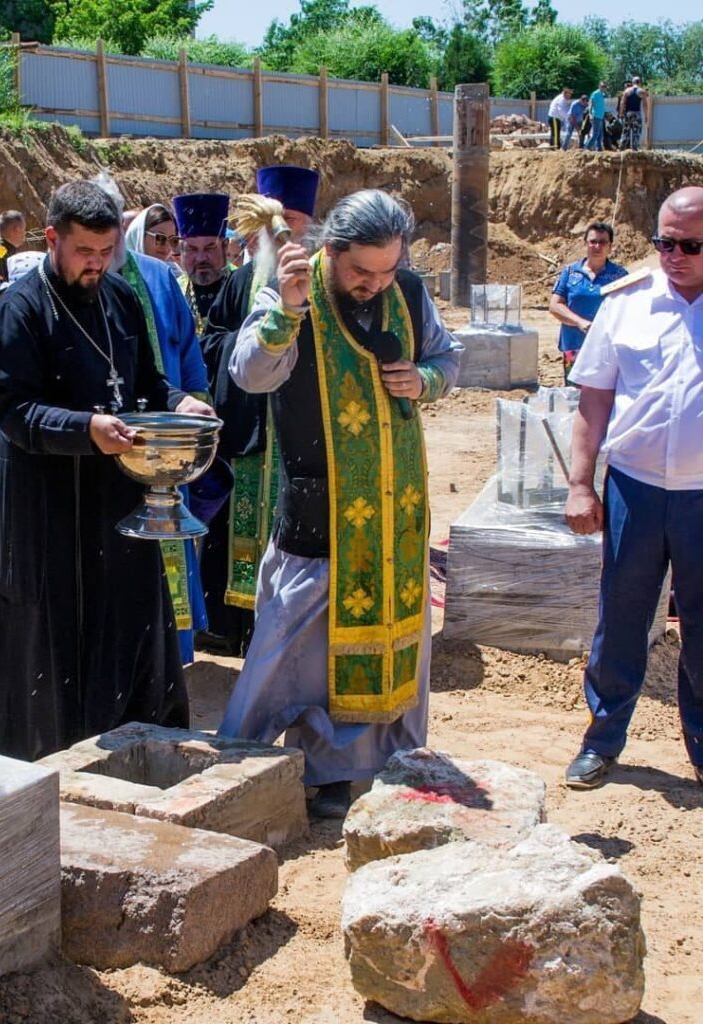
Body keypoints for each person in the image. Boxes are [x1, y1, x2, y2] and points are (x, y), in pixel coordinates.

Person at [218, 190, 462, 819]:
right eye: (362, 272)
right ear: (331, 250)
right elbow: (250, 373)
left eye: (387, 270)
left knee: (389, 645)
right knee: (289, 651)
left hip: (395, 516)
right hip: (318, 512)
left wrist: (425, 379)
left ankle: (361, 769)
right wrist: (287, 314)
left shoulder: (406, 291)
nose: (375, 284)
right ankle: (232, 766)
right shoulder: (288, 289)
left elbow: (445, 356)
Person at [0, 181, 213, 762]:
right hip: (43, 504)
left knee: (127, 618)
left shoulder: (121, 299)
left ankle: (136, 744)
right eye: (84, 253)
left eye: (105, 254)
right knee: (51, 638)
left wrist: (178, 404)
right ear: (53, 240)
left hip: (114, 496)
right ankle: (51, 759)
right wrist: (86, 429)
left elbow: (147, 384)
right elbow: (12, 410)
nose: (96, 265)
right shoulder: (19, 309)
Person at [563, 187, 703, 790]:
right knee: (621, 617)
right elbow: (593, 397)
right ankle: (602, 739)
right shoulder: (626, 303)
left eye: (689, 245)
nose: (673, 255)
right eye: (663, 243)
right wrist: (580, 484)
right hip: (635, 491)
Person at [199, 165, 320, 656]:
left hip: (300, 435)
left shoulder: (325, 280)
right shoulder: (243, 280)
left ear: (309, 222)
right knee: (236, 530)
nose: (282, 232)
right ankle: (231, 631)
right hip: (249, 430)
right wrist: (250, 348)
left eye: (291, 219)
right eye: (274, 222)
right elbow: (212, 343)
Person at [97, 173, 211, 665]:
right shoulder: (67, 283)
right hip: (100, 443)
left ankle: (175, 652)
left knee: (169, 546)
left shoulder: (161, 277)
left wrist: (194, 409)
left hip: (162, 447)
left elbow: (187, 356)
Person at [549, 223, 627, 384]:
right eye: (593, 241)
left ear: (610, 246)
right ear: (585, 243)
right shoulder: (570, 272)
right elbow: (555, 306)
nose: (597, 246)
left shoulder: (620, 275)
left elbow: (628, 309)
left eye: (603, 242)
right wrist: (580, 322)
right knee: (574, 397)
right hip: (574, 347)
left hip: (606, 350)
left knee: (603, 397)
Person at [174, 193, 231, 335]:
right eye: (192, 249)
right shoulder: (174, 292)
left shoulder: (242, 287)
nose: (200, 258)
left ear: (225, 246)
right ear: (181, 249)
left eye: (210, 247)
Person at [125, 204, 181, 269]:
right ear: (140, 236)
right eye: (160, 238)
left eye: (173, 240)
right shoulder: (119, 275)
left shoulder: (175, 274)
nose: (167, 247)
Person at [619, 77, 648, 151]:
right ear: (639, 82)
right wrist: (646, 115)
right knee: (637, 131)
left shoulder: (627, 91)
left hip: (628, 114)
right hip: (637, 114)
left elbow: (622, 103)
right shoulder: (642, 91)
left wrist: (621, 113)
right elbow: (645, 105)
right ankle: (635, 148)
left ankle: (622, 148)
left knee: (625, 131)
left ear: (632, 82)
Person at [588, 82, 607, 152]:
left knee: (600, 135)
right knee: (595, 134)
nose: (603, 88)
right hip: (595, 116)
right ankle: (586, 148)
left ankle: (599, 149)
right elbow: (590, 104)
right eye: (602, 86)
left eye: (605, 86)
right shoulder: (595, 93)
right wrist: (590, 114)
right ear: (599, 86)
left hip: (601, 117)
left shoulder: (603, 95)